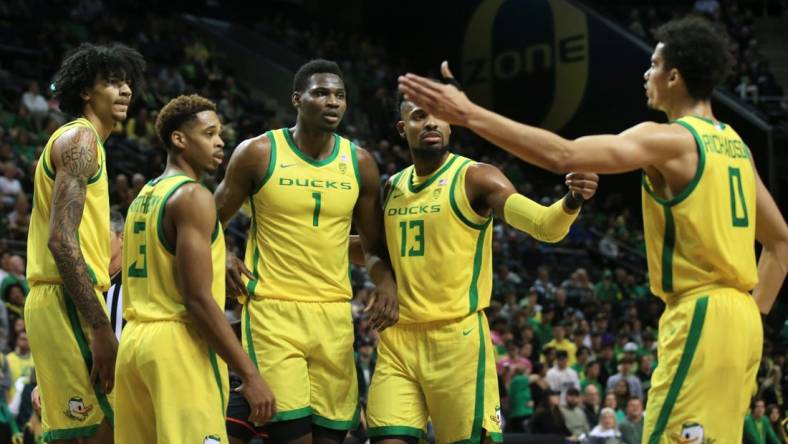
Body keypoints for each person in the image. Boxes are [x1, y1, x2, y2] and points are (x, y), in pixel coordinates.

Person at [398, 15, 788, 442]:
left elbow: (565, 155)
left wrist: (470, 114)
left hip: (701, 313)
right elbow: (780, 242)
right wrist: (754, 312)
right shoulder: (737, 147)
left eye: (654, 65)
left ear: (674, 76)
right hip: (744, 324)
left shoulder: (672, 139)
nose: (646, 73)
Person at [362, 93, 597, 443]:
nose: (430, 122)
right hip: (398, 340)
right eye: (418, 116)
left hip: (457, 340)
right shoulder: (391, 187)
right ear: (402, 128)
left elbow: (544, 226)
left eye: (439, 115)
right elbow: (374, 249)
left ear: (450, 124)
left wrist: (572, 200)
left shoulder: (477, 178)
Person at [215, 59, 398, 443]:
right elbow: (206, 221)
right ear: (297, 100)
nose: (332, 101)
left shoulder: (360, 163)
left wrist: (387, 285)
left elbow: (375, 247)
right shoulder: (257, 153)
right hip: (272, 310)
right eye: (321, 93)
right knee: (292, 436)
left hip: (333, 314)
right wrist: (225, 255)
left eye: (339, 95)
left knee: (330, 436)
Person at [114, 95, 275, 443]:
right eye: (209, 133)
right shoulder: (194, 196)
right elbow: (198, 299)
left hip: (134, 343)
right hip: (177, 347)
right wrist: (249, 374)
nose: (220, 142)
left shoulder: (144, 194)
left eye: (220, 134)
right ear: (179, 139)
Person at [24, 42, 145, 443]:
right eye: (112, 82)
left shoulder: (88, 144)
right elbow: (61, 241)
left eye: (127, 82)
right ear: (84, 92)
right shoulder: (81, 141)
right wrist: (100, 327)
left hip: (61, 299)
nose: (124, 90)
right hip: (66, 300)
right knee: (98, 433)